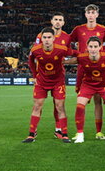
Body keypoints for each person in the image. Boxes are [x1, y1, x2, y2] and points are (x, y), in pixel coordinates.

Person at [23, 27, 72, 143]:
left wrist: (73, 60)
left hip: (57, 82)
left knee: (60, 106)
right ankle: (31, 134)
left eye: (49, 37)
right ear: (41, 38)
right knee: (37, 106)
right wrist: (35, 75)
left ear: (53, 38)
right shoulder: (35, 50)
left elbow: (76, 54)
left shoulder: (61, 49)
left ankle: (64, 134)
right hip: (41, 81)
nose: (47, 40)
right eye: (44, 37)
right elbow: (30, 60)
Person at [70, 4, 105, 140]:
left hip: (99, 68)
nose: (91, 15)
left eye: (94, 12)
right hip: (83, 68)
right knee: (81, 101)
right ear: (85, 14)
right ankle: (79, 131)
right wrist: (76, 53)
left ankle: (98, 132)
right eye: (89, 12)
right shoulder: (78, 29)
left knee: (98, 101)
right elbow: (67, 42)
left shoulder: (103, 30)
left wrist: (103, 58)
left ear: (97, 15)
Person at [70, 36, 105, 143]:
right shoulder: (82, 57)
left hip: (104, 85)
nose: (93, 49)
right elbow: (69, 60)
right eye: (91, 46)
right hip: (87, 85)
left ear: (100, 47)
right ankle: (80, 135)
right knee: (79, 107)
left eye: (95, 46)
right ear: (87, 47)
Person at [34, 12, 71, 140]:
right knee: (39, 104)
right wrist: (36, 74)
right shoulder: (42, 35)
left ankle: (58, 129)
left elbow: (69, 54)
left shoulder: (67, 37)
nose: (58, 22)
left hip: (58, 76)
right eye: (55, 19)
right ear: (51, 21)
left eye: (60, 20)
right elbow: (35, 53)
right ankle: (33, 131)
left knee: (58, 103)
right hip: (43, 76)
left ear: (63, 22)